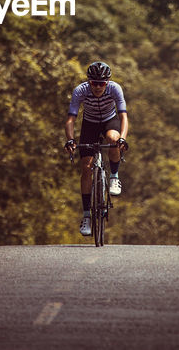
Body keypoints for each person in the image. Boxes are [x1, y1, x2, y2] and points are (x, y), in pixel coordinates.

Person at [63, 61, 129, 237]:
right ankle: (86, 216)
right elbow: (71, 120)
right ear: (88, 82)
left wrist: (122, 138)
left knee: (113, 139)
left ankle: (114, 176)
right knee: (86, 169)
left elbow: (123, 116)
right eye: (94, 83)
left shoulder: (115, 89)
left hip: (109, 120)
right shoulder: (80, 91)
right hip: (89, 124)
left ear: (107, 83)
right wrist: (70, 140)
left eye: (102, 83)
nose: (98, 87)